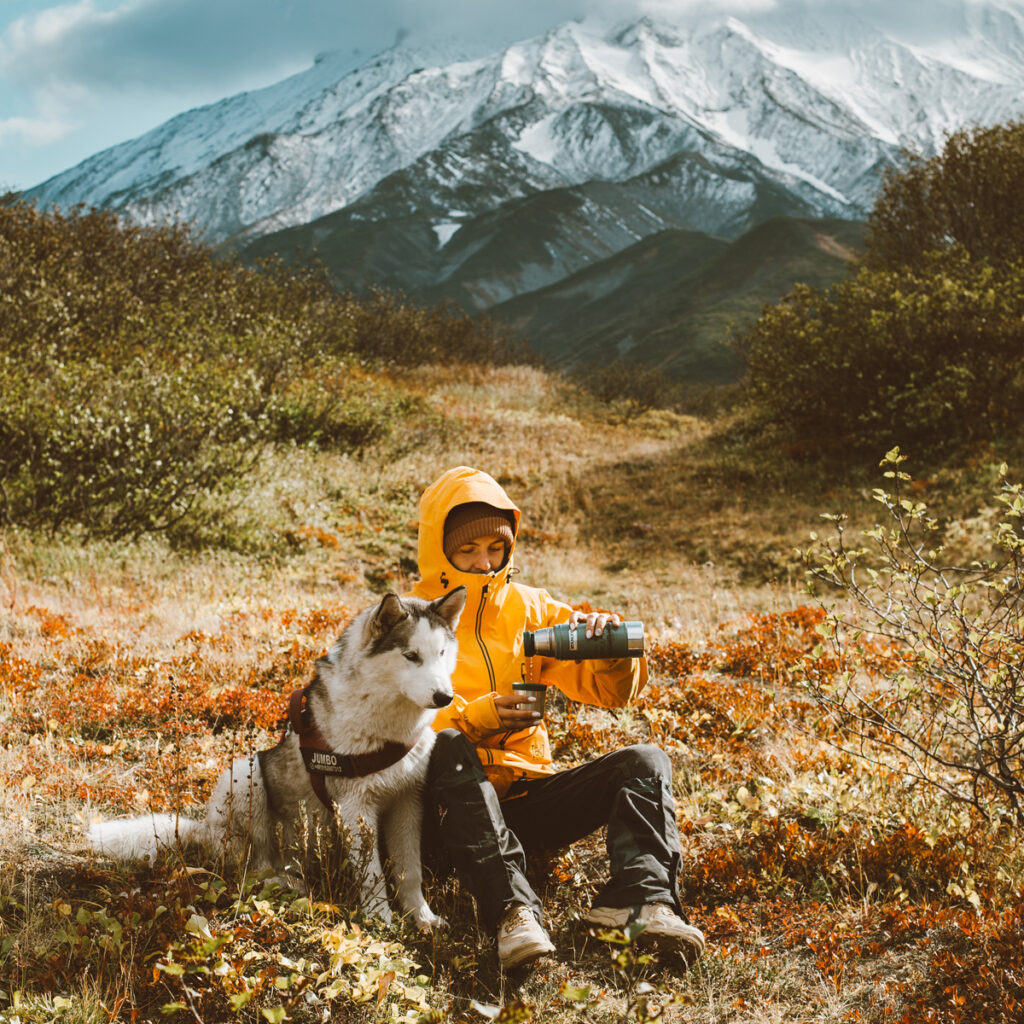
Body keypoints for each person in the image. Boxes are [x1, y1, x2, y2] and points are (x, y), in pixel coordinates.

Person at [409, 466, 705, 970]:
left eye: (496, 548)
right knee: (450, 747)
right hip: (440, 815)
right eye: (468, 550)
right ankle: (513, 914)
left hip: (523, 801)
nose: (485, 562)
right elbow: (389, 729)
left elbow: (614, 694)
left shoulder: (531, 609)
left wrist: (611, 650)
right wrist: (475, 718)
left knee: (644, 760)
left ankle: (639, 903)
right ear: (441, 551)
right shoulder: (409, 619)